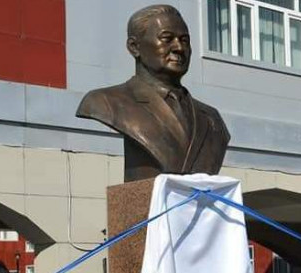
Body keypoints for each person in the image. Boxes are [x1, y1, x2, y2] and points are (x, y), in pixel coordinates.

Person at [76, 5, 230, 182]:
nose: (179, 48)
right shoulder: (106, 102)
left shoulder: (212, 119)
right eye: (167, 39)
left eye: (184, 40)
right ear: (134, 47)